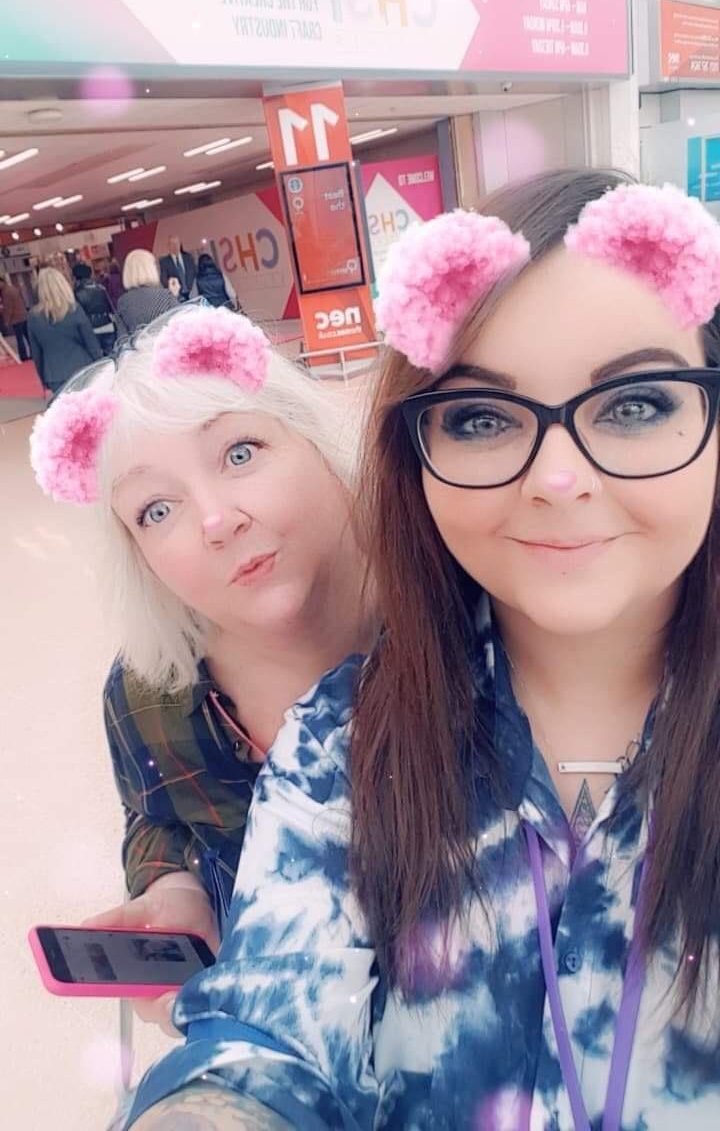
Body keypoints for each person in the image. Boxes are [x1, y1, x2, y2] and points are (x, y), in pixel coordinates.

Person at [124, 170, 720, 1131]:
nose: (558, 479)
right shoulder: (341, 744)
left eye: (637, 403)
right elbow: (268, 1029)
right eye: (482, 419)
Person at [29, 302, 372, 1038]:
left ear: (315, 439)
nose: (217, 520)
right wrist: (174, 889)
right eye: (157, 510)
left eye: (240, 453)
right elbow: (154, 813)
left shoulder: (461, 616)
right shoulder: (152, 692)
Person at [27, 267, 101, 396]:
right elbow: (91, 343)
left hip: (54, 374)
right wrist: (100, 365)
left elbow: (37, 353)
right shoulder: (74, 309)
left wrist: (43, 379)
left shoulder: (33, 317)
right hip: (83, 367)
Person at [115, 249, 178, 339]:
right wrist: (174, 296)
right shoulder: (165, 295)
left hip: (139, 347)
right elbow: (180, 325)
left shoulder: (122, 302)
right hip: (165, 345)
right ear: (150, 269)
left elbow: (122, 338)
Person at [72, 261, 117, 355]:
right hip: (108, 325)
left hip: (91, 329)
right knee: (113, 354)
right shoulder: (101, 288)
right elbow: (111, 308)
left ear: (76, 277)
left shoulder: (76, 293)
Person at [0, 274, 30, 361]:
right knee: (28, 337)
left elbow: (8, 308)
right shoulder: (13, 288)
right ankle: (32, 354)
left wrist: (6, 321)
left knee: (19, 339)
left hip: (16, 319)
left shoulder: (5, 292)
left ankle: (23, 356)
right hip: (23, 316)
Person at [159, 235, 197, 300]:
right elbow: (163, 279)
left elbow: (195, 272)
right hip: (177, 296)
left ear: (180, 244)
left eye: (177, 243)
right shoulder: (164, 261)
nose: (175, 246)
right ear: (168, 246)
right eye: (172, 243)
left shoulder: (188, 257)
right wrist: (174, 291)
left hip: (193, 293)